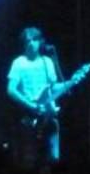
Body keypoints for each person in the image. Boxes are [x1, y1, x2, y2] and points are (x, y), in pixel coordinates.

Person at [6, 27, 81, 166]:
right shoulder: (19, 62)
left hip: (49, 116)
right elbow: (11, 90)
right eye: (27, 40)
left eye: (34, 39)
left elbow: (53, 87)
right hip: (29, 117)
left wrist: (71, 81)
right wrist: (31, 106)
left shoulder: (47, 62)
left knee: (53, 158)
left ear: (40, 41)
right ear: (23, 44)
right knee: (30, 159)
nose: (31, 43)